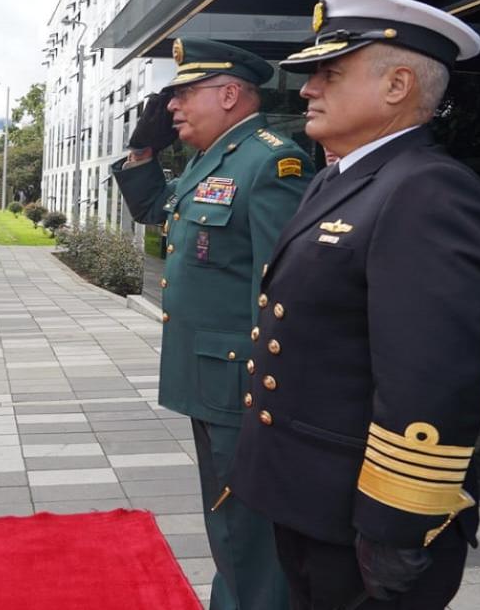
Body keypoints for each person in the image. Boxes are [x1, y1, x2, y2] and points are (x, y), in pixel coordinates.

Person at [230, 0, 480, 610]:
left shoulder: (427, 191)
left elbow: (430, 377)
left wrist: (397, 522)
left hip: (365, 514)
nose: (308, 88)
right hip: (310, 496)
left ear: (397, 86)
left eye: (329, 72)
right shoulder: (338, 180)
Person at [112, 38, 313, 609]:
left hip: (242, 382)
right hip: (211, 378)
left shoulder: (272, 160)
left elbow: (279, 288)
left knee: (244, 525)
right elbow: (157, 210)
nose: (171, 107)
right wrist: (142, 155)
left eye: (183, 94)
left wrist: (269, 386)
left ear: (229, 95)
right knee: (227, 519)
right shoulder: (213, 157)